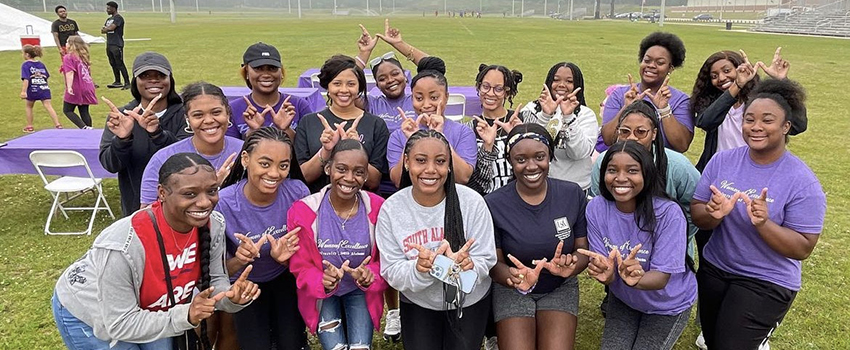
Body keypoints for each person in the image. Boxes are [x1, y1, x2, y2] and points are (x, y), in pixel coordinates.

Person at [52, 153, 258, 350]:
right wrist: (186, 314)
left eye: (212, 191)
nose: (205, 202)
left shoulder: (213, 225)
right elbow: (120, 324)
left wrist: (231, 299)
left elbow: (215, 283)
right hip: (92, 313)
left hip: (154, 309)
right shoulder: (122, 244)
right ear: (162, 193)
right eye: (190, 194)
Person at [691, 79, 824, 350]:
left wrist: (764, 224)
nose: (756, 127)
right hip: (716, 269)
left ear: (786, 126)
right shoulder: (722, 161)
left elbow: (803, 248)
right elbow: (697, 212)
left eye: (767, 120)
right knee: (713, 341)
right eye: (749, 119)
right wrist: (714, 214)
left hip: (766, 280)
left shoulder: (802, 181)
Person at [376, 129, 497, 350]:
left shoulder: (472, 202)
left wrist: (466, 267)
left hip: (468, 302)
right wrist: (420, 269)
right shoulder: (391, 210)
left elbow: (486, 259)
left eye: (440, 161)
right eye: (420, 160)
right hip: (418, 303)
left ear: (449, 165)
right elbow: (392, 271)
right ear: (406, 162)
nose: (430, 170)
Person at [579, 140, 696, 350]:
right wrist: (608, 275)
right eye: (612, 170)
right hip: (624, 298)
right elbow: (607, 267)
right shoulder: (596, 208)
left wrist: (638, 278)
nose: (620, 178)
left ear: (647, 174)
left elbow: (661, 278)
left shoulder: (668, 213)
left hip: (667, 305)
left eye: (632, 171)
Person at [485, 123, 589, 350]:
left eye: (539, 157)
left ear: (550, 156)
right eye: (521, 159)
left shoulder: (572, 194)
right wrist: (515, 277)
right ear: (510, 161)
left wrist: (571, 266)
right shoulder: (494, 204)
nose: (531, 166)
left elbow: (582, 250)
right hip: (512, 289)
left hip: (559, 286)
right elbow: (494, 264)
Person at [216, 126, 311, 350]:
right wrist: (240, 260)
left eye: (283, 165)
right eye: (265, 164)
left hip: (284, 278)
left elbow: (309, 260)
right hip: (244, 284)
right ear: (246, 159)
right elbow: (216, 273)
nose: (274, 174)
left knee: (292, 343)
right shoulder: (223, 203)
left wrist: (286, 260)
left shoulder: (297, 192)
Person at [288, 139, 388, 350]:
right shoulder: (303, 210)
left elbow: (387, 259)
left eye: (359, 172)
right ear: (328, 168)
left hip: (360, 291)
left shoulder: (378, 208)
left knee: (361, 347)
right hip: (322, 291)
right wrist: (321, 279)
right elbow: (299, 265)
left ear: (366, 175)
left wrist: (370, 274)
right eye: (341, 169)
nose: (349, 178)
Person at [590, 100, 700, 259]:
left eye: (640, 132)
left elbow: (696, 204)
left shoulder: (677, 166)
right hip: (621, 252)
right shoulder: (603, 163)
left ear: (654, 133)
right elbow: (600, 204)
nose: (632, 138)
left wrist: (673, 236)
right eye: (625, 131)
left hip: (669, 254)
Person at [99, 51, 189, 217]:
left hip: (183, 206)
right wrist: (123, 139)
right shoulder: (122, 116)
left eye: (160, 75)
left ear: (170, 79)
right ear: (135, 81)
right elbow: (110, 165)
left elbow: (188, 158)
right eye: (145, 75)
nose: (153, 80)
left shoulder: (186, 113)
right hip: (137, 208)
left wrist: (158, 134)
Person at [294, 55, 389, 193]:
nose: (344, 90)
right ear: (327, 86)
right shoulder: (309, 122)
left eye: (351, 84)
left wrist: (356, 149)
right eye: (337, 83)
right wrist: (326, 151)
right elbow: (304, 177)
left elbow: (374, 181)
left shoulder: (376, 124)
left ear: (359, 87)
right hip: (317, 203)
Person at [140, 82, 244, 207]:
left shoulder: (245, 151)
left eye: (216, 112)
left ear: (228, 113)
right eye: (198, 115)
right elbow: (146, 212)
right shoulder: (164, 158)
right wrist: (213, 188)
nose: (209, 120)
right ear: (187, 119)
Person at [690, 48, 789, 172]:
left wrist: (782, 82)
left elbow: (798, 125)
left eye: (727, 71)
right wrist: (737, 86)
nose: (721, 78)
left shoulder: (759, 100)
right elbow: (706, 122)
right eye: (714, 76)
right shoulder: (712, 101)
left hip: (754, 169)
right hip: (719, 171)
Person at [386, 56, 477, 189]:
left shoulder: (463, 132)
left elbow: (463, 177)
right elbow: (398, 181)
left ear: (446, 97)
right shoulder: (399, 135)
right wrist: (411, 140)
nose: (426, 104)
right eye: (419, 98)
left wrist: (439, 136)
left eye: (434, 97)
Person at [598, 32, 693, 153]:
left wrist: (664, 110)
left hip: (661, 167)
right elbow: (608, 139)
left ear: (670, 68)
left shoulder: (681, 100)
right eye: (647, 60)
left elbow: (682, 145)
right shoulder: (620, 94)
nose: (651, 66)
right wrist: (627, 108)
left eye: (660, 63)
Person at [520, 62, 598, 191]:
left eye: (569, 81)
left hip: (575, 188)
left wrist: (569, 118)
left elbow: (579, 153)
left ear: (577, 85)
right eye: (556, 80)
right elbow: (526, 146)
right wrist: (545, 115)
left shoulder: (585, 114)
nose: (561, 85)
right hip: (537, 186)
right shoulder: (532, 109)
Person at [227, 42, 314, 140]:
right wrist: (252, 132)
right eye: (258, 69)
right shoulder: (234, 109)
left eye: (272, 68)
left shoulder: (298, 105)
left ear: (281, 72)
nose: (266, 74)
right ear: (246, 71)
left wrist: (286, 130)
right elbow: (231, 150)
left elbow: (308, 149)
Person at [354, 19, 429, 133]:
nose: (390, 80)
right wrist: (364, 54)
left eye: (395, 74)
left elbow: (434, 67)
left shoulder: (418, 99)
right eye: (382, 79)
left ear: (405, 76)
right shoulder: (372, 104)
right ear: (377, 85)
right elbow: (345, 85)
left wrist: (399, 44)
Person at [466, 64, 524, 195]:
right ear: (478, 87)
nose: (490, 93)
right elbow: (479, 181)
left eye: (498, 89)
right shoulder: (469, 129)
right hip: (486, 201)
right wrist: (487, 147)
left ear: (507, 92)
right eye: (485, 87)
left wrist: (519, 137)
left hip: (520, 199)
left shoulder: (523, 119)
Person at [20, 44, 63, 132]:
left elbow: (26, 79)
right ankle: (57, 124)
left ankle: (30, 126)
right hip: (44, 87)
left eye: (23, 53)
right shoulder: (40, 64)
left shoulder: (26, 65)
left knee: (29, 106)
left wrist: (23, 91)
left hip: (33, 88)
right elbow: (46, 76)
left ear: (27, 55)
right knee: (48, 106)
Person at [60, 35, 97, 129]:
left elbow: (70, 73)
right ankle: (89, 128)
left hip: (77, 86)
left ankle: (84, 127)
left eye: (67, 42)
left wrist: (69, 87)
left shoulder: (68, 57)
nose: (66, 44)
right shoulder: (83, 56)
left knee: (68, 110)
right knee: (84, 110)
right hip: (87, 85)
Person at [102, 1, 129, 89]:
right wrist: (106, 29)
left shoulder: (118, 18)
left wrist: (106, 29)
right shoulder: (109, 19)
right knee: (112, 62)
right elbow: (104, 29)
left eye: (109, 8)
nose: (107, 10)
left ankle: (127, 82)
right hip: (109, 43)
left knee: (120, 63)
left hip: (117, 44)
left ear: (114, 8)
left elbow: (111, 28)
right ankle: (117, 81)